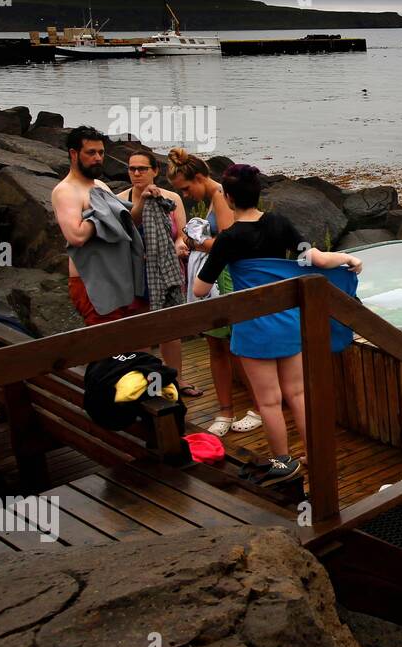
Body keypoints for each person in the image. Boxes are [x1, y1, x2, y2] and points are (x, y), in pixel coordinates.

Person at [191, 164, 362, 487]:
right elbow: (319, 260)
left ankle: (283, 463)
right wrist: (349, 260)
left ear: (227, 198)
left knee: (269, 402)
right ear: (259, 194)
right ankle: (316, 452)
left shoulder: (227, 240)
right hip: (287, 321)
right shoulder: (279, 225)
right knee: (297, 393)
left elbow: (201, 289)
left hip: (253, 326)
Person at [167, 147, 259, 435]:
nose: (185, 196)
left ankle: (256, 407)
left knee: (236, 347)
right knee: (216, 346)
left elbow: (228, 243)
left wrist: (194, 243)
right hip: (216, 278)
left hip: (229, 280)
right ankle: (226, 411)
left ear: (198, 178)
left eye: (185, 188)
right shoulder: (213, 197)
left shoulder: (221, 196)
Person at [117, 148, 202, 396]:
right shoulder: (121, 199)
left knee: (169, 329)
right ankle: (147, 381)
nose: (136, 173)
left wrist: (177, 247)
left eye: (142, 168)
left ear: (155, 171)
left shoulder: (170, 198)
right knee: (143, 328)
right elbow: (122, 233)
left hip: (166, 268)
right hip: (136, 271)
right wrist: (142, 201)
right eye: (132, 168)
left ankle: (176, 378)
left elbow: (182, 234)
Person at [52, 127, 149, 325]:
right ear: (73, 154)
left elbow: (124, 223)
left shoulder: (100, 185)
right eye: (91, 153)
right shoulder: (65, 191)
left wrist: (144, 201)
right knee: (106, 347)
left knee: (125, 345)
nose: (97, 158)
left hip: (119, 276)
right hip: (92, 281)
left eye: (101, 153)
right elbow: (76, 236)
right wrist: (102, 215)